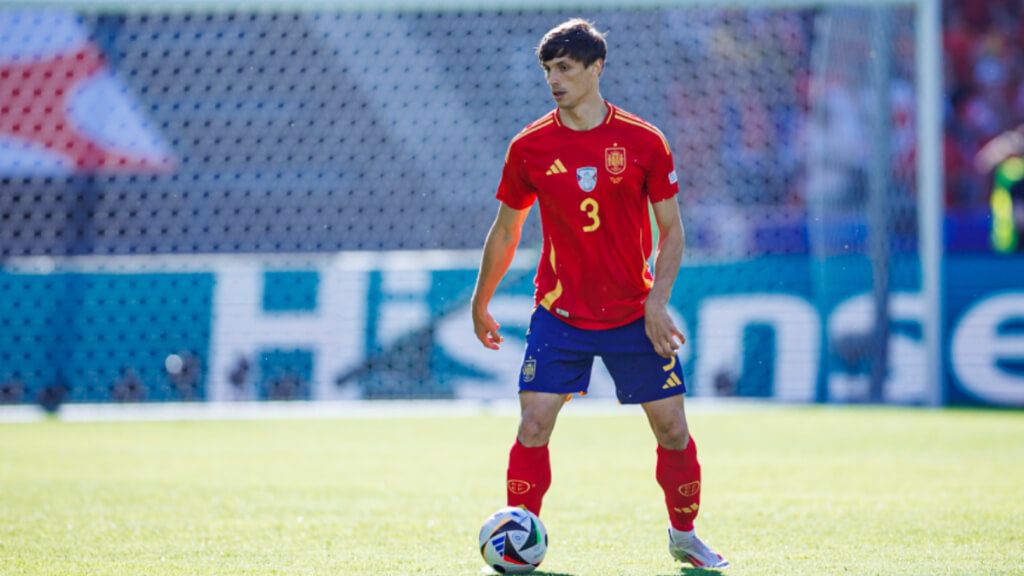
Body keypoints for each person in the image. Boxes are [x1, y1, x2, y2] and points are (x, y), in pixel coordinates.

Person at [470, 18, 729, 569]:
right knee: (534, 422)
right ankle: (518, 538)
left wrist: (657, 303)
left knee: (673, 428)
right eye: (548, 70)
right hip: (559, 313)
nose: (554, 80)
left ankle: (684, 535)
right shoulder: (530, 146)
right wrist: (480, 300)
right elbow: (506, 229)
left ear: (596, 68)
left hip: (634, 314)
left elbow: (672, 230)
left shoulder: (643, 140)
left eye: (565, 67)